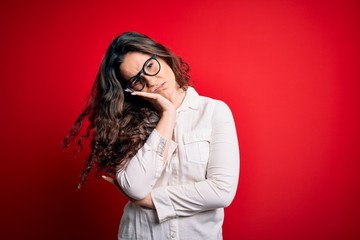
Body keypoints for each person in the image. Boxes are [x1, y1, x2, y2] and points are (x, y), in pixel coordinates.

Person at [64, 32, 240, 240]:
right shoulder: (125, 122)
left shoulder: (214, 111)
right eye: (137, 80)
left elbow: (221, 191)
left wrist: (149, 201)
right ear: (130, 89)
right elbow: (136, 188)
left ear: (162, 56)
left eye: (149, 66)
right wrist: (167, 115)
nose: (150, 80)